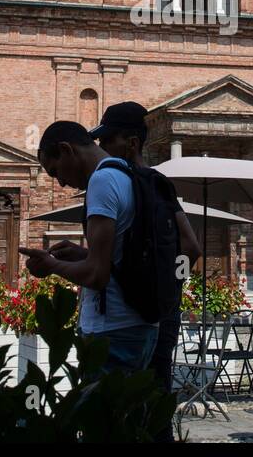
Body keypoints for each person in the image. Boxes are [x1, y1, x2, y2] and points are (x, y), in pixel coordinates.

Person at [90, 101, 201, 441]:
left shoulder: (110, 180)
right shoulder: (159, 184)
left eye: (108, 139)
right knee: (156, 412)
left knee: (115, 414)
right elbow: (192, 247)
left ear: (132, 142)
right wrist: (167, 287)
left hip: (125, 320)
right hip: (162, 315)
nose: (102, 147)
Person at [18, 120, 158, 375]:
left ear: (67, 149)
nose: (59, 182)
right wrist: (83, 254)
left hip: (112, 332)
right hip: (138, 326)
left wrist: (51, 265)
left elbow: (97, 275)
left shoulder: (102, 181)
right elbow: (120, 257)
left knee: (100, 413)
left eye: (55, 170)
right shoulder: (127, 173)